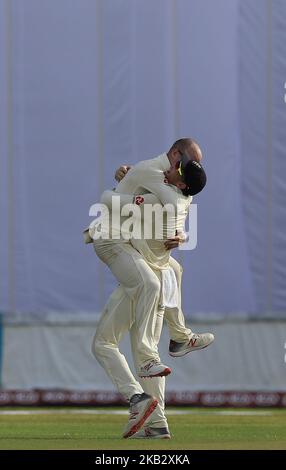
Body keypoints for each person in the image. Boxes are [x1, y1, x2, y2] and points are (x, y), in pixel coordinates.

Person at [86, 139, 214, 438]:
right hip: (135, 257)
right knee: (157, 283)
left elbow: (131, 204)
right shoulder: (153, 174)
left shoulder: (164, 182)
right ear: (174, 155)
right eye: (186, 163)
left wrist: (112, 193)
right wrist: (123, 183)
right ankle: (176, 344)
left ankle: (148, 408)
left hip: (143, 261)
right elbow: (142, 201)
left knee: (115, 342)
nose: (177, 171)